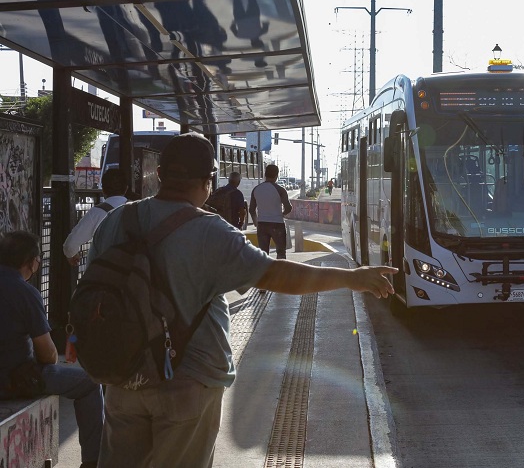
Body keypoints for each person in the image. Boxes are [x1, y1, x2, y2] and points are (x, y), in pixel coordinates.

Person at [89, 132, 395, 468]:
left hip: (122, 376)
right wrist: (351, 278)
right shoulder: (210, 231)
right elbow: (276, 275)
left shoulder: (116, 221)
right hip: (188, 381)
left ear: (159, 174)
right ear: (208, 182)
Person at [0, 231, 104, 468]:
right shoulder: (25, 292)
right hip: (13, 380)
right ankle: (93, 460)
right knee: (89, 383)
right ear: (32, 262)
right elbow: (48, 355)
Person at [63, 168, 129, 266]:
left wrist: (71, 255)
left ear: (103, 190)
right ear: (126, 188)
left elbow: (70, 245)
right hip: (134, 274)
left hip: (104, 273)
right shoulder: (139, 210)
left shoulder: (97, 212)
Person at [250, 164, 292, 259]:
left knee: (263, 254)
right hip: (277, 224)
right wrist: (282, 214)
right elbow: (289, 208)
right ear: (277, 175)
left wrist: (256, 222)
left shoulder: (256, 189)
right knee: (281, 252)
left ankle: (265, 272)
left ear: (265, 174)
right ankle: (280, 273)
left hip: (262, 224)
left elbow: (251, 209)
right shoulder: (280, 190)